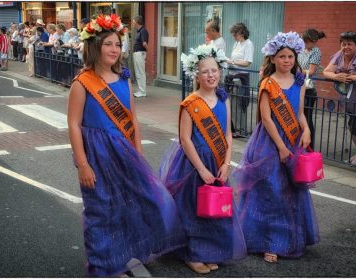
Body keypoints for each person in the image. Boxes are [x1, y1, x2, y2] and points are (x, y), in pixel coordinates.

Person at [68, 14, 185, 277]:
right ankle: (103, 265)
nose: (114, 49)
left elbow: (132, 116)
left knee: (129, 204)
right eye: (108, 44)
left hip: (124, 151)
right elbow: (74, 125)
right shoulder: (82, 83)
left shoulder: (124, 78)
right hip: (97, 155)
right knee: (101, 210)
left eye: (118, 45)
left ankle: (122, 255)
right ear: (94, 46)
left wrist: (138, 151)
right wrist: (82, 164)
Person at [232, 32, 320, 263]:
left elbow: (300, 113)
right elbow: (267, 117)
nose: (286, 60)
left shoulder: (300, 81)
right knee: (270, 191)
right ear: (273, 58)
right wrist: (281, 147)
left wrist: (307, 130)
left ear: (295, 57)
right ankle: (269, 241)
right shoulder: (267, 83)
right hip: (270, 143)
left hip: (294, 138)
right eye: (282, 56)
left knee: (291, 190)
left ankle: (287, 238)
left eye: (290, 56)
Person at [159, 44, 246, 274]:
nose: (211, 75)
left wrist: (226, 164)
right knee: (193, 210)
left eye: (214, 70)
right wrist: (201, 170)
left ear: (220, 72)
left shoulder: (223, 100)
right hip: (193, 164)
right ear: (196, 75)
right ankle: (193, 254)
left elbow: (227, 135)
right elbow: (185, 140)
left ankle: (210, 250)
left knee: (216, 209)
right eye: (205, 71)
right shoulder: (190, 103)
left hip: (217, 162)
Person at [323, 31, 356, 165]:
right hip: (349, 99)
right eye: (343, 44)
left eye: (350, 44)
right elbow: (326, 71)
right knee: (353, 126)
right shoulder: (339, 55)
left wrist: (350, 77)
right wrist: (336, 76)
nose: (346, 47)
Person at [225, 22, 254, 138]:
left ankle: (240, 129)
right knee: (232, 103)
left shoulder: (248, 44)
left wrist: (231, 62)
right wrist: (228, 61)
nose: (234, 37)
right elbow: (233, 59)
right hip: (232, 75)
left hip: (241, 77)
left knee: (239, 103)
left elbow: (247, 62)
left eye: (235, 34)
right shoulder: (236, 43)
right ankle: (234, 128)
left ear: (241, 33)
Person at [298, 28, 326, 149]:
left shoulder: (316, 51)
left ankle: (309, 147)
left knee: (307, 119)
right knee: (298, 117)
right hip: (298, 86)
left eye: (307, 41)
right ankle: (299, 144)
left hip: (308, 89)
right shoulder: (301, 50)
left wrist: (296, 70)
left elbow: (311, 71)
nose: (305, 43)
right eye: (304, 40)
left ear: (314, 41)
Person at [132, 15, 149, 98]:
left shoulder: (143, 31)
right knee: (138, 72)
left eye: (133, 21)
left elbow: (144, 43)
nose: (132, 23)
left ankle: (142, 91)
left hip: (140, 53)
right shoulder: (139, 31)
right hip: (137, 53)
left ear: (137, 22)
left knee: (140, 72)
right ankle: (140, 90)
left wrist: (146, 51)